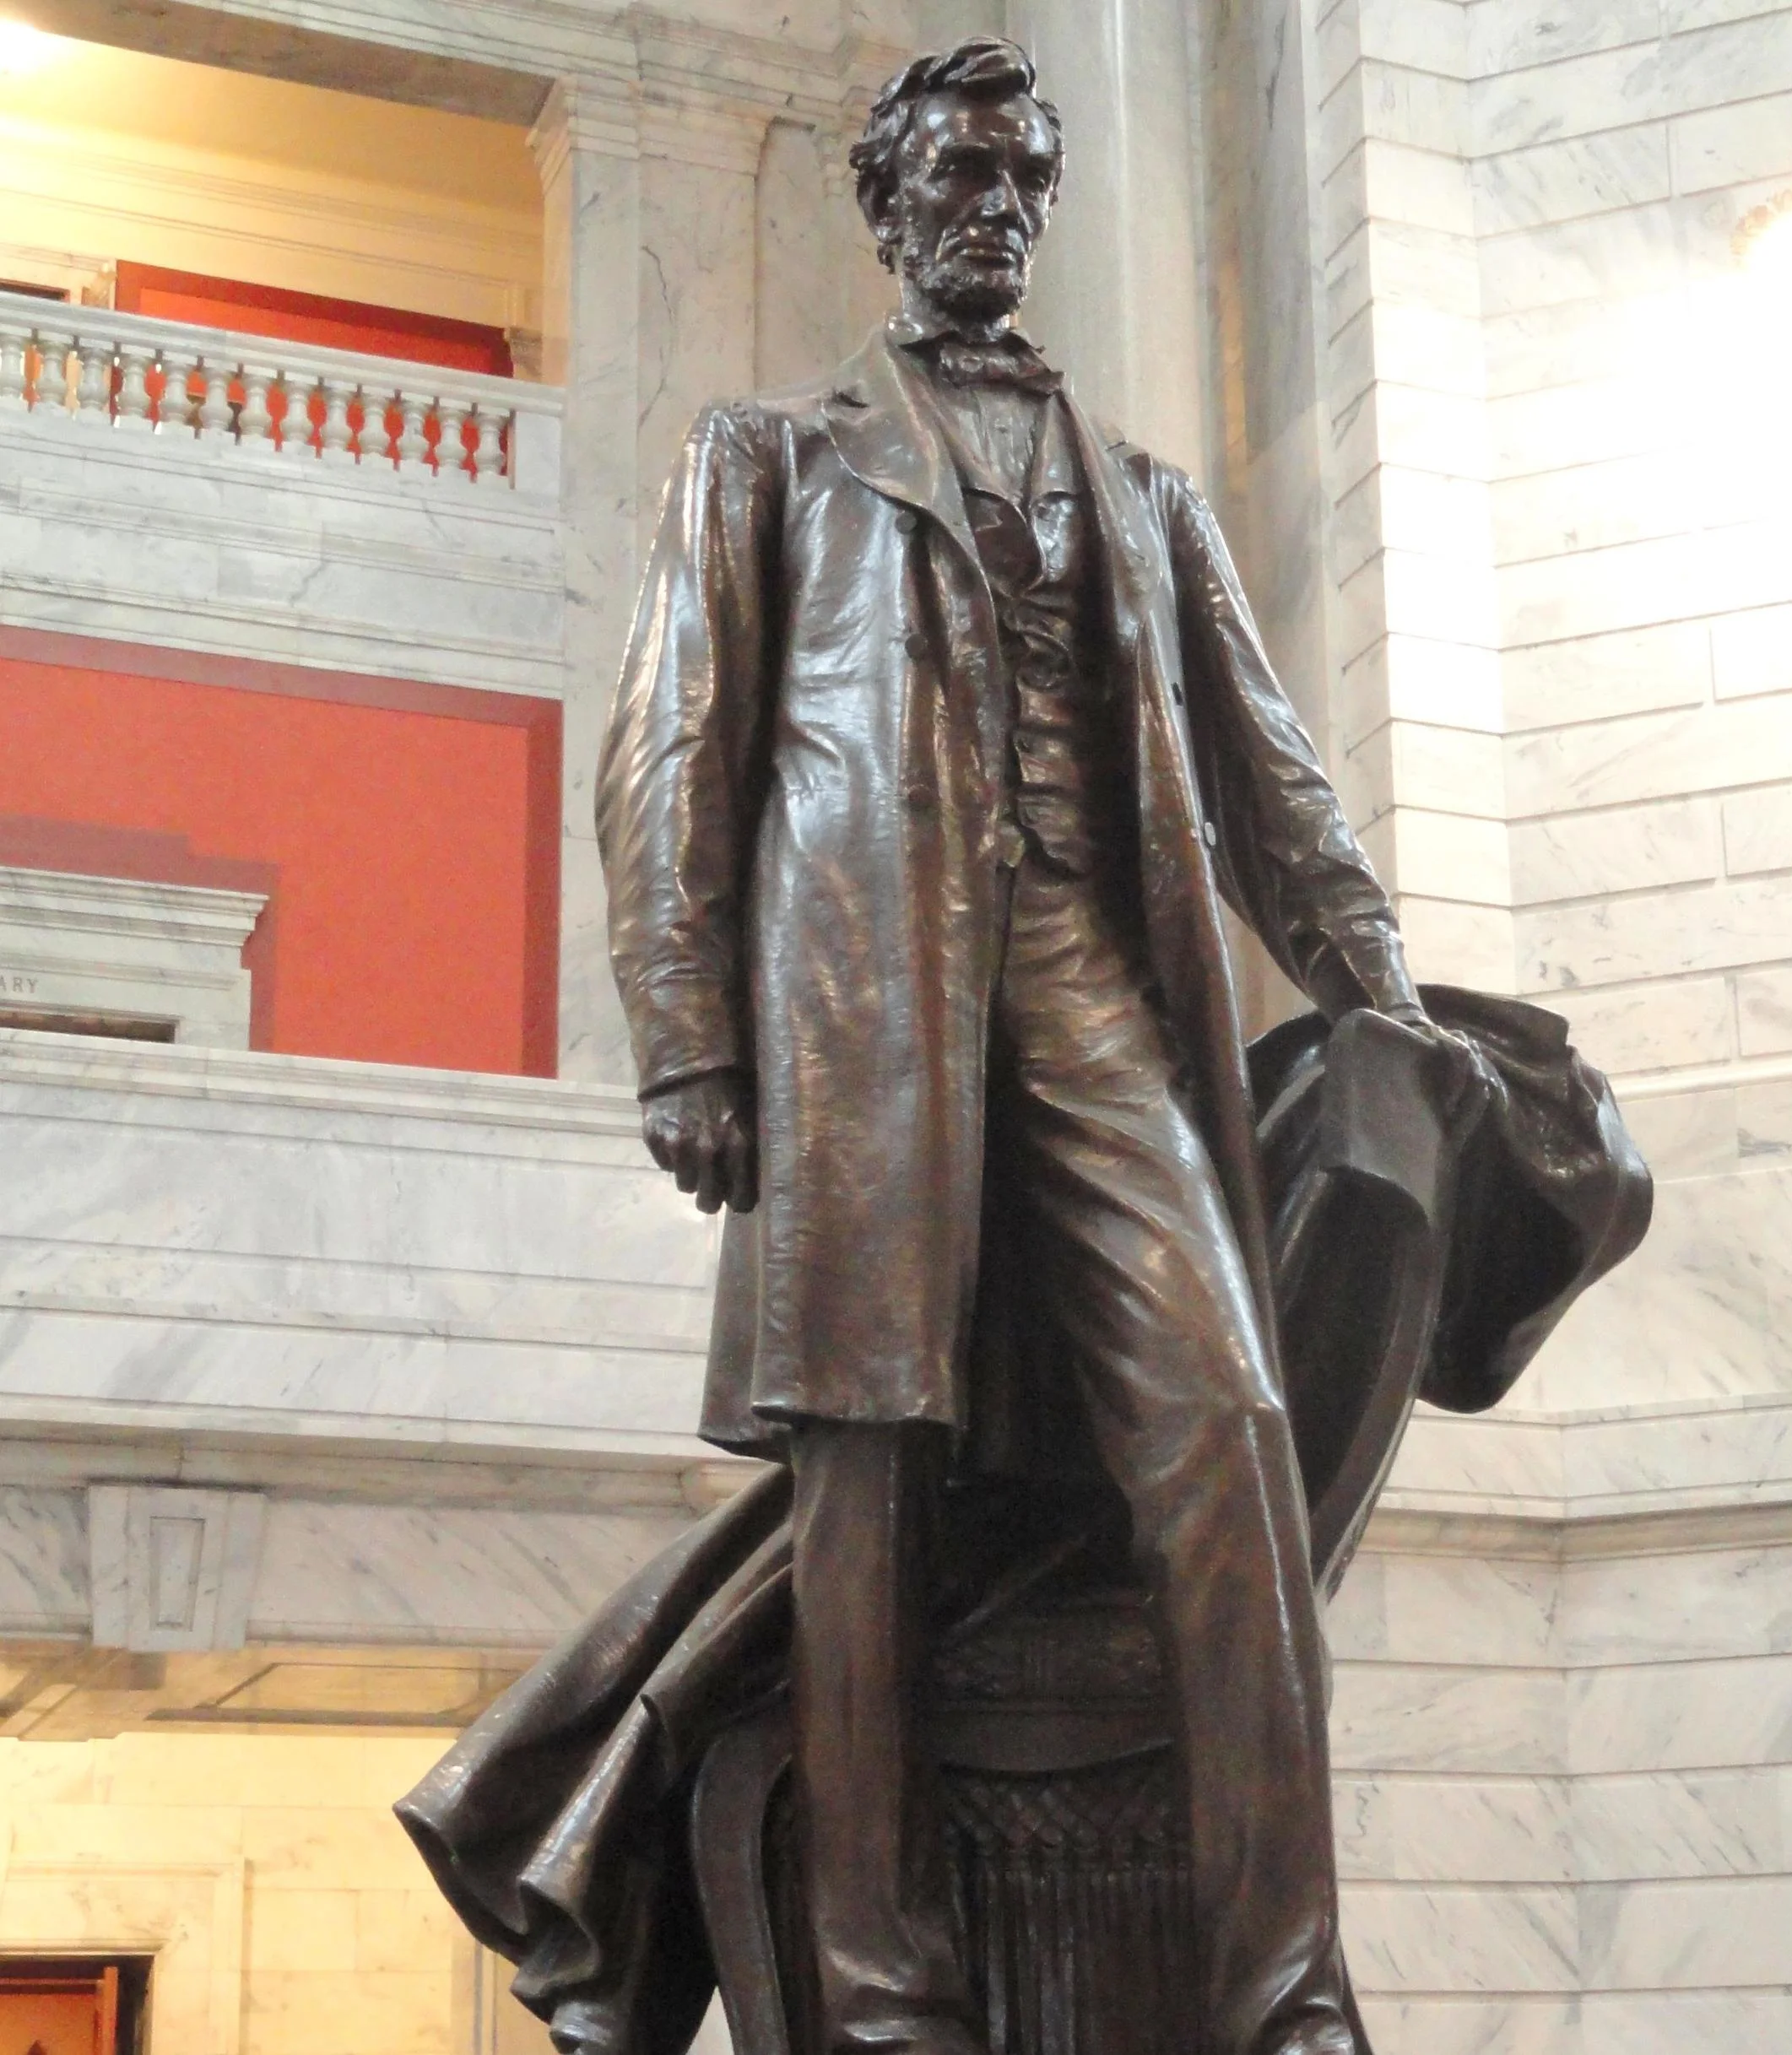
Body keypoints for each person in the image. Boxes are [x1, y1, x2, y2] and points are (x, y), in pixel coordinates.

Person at [597, 35, 1466, 2055]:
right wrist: (684, 1034)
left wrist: (1383, 982)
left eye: (1019, 180)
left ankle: (1284, 1987)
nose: (990, 208)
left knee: (1229, 1424)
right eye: (956, 176)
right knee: (865, 1484)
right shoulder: (772, 455)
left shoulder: (1148, 500)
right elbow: (669, 751)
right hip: (854, 1019)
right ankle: (886, 1994)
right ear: (887, 205)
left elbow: (1275, 781)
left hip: (1089, 979)